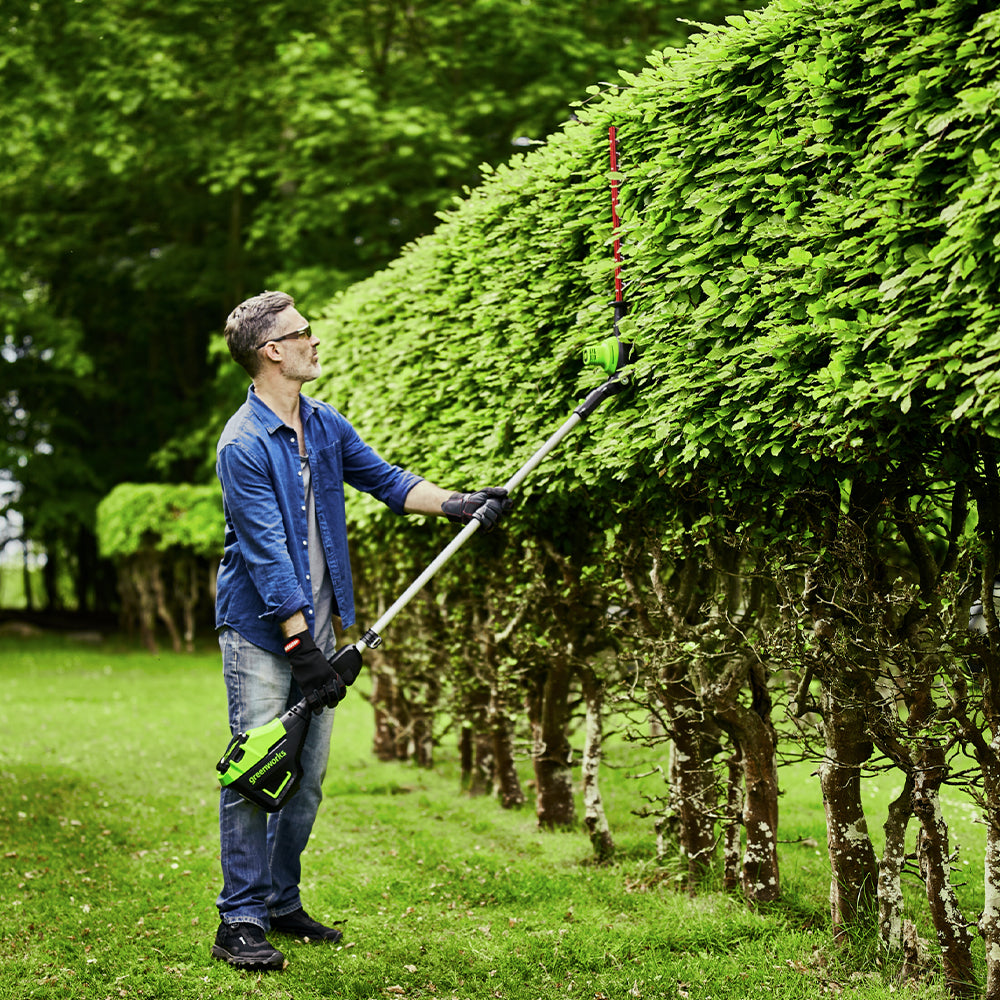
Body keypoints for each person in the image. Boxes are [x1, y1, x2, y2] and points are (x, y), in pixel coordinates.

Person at [211, 290, 512, 971]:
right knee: (258, 773)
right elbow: (266, 554)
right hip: (264, 633)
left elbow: (388, 481)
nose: (315, 341)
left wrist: (459, 503)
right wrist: (301, 646)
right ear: (272, 351)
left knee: (306, 781)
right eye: (303, 332)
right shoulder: (243, 443)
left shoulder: (323, 425)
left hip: (316, 630)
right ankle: (241, 919)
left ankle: (281, 902)